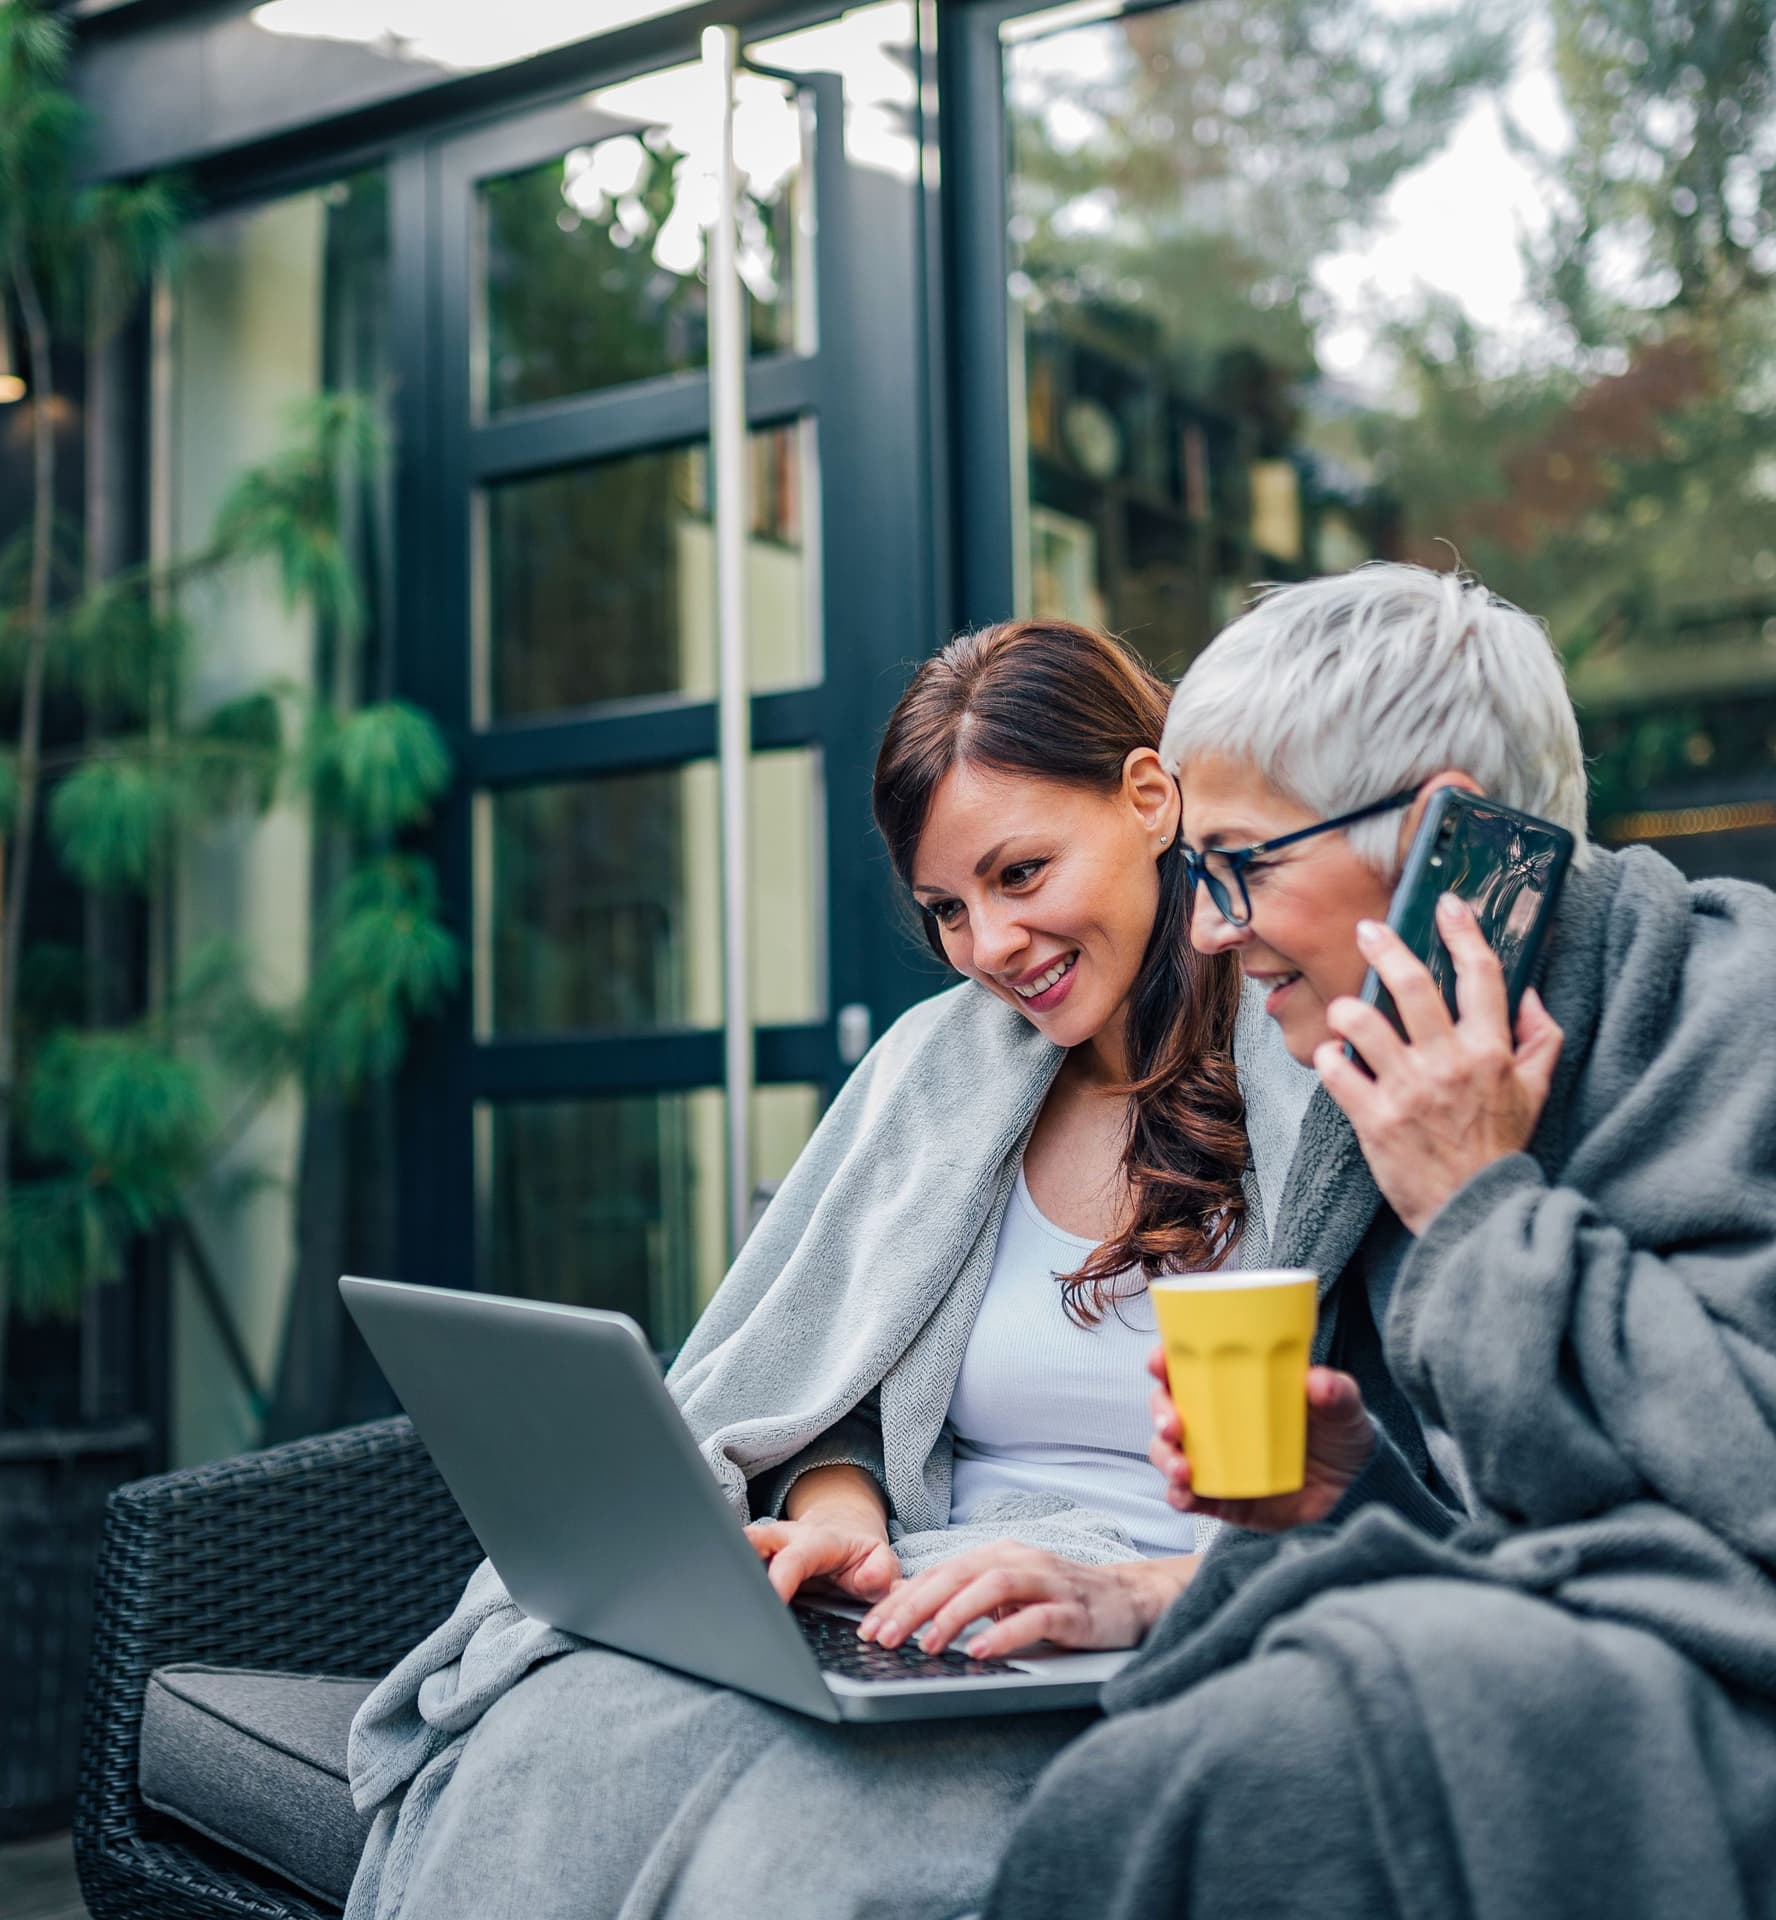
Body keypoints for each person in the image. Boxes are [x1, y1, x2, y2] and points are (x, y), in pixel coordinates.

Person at [975, 564, 1776, 1920]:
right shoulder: (1388, 1090)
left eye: (1239, 864)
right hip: (1544, 1664)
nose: (1207, 926)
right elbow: (1504, 1537)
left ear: (1440, 838)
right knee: (1169, 1776)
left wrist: (1479, 1209)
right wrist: (1345, 1494)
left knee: (1229, 1783)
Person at [343, 618, 1315, 1920]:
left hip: (1153, 1624)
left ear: (1150, 798)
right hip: (933, 1599)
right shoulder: (946, 1069)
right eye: (947, 911)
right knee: (549, 1732)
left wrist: (1129, 1593)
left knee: (784, 1858)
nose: (991, 945)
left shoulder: (1309, 1060)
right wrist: (843, 1521)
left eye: (1022, 873)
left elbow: (1413, 1475)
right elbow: (835, 1380)